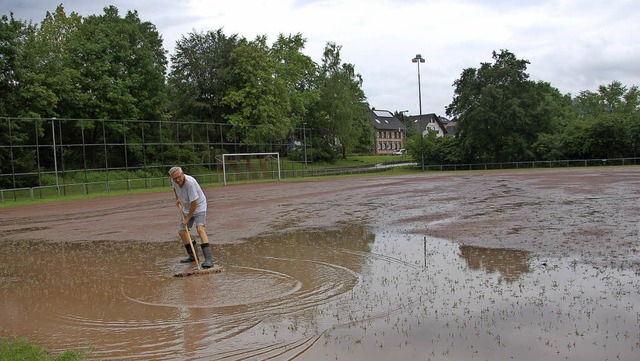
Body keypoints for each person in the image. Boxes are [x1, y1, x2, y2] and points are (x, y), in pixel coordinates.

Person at [169, 166, 214, 268]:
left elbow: (194, 203)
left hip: (199, 206)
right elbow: (174, 188)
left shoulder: (190, 183)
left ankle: (208, 260)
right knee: (182, 232)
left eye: (179, 177)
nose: (177, 180)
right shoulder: (174, 181)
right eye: (175, 178)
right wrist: (177, 198)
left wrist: (188, 218)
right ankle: (193, 256)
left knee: (200, 229)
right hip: (186, 207)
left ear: (182, 174)